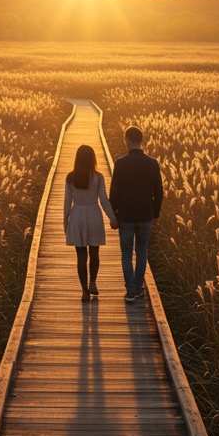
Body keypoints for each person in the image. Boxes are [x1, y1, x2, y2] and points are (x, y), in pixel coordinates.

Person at [109, 125, 163, 303]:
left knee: (126, 253)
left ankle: (130, 290)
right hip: (145, 216)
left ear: (128, 141)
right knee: (141, 252)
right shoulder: (153, 163)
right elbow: (159, 192)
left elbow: (114, 193)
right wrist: (155, 214)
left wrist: (113, 215)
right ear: (141, 141)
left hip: (125, 216)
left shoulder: (120, 163)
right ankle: (138, 288)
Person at [63, 144, 118, 302]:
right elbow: (104, 201)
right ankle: (93, 282)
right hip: (94, 215)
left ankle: (84, 291)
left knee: (81, 256)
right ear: (92, 159)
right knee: (94, 253)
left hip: (77, 215)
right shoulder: (98, 177)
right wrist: (113, 218)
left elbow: (67, 203)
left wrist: (65, 223)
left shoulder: (70, 178)